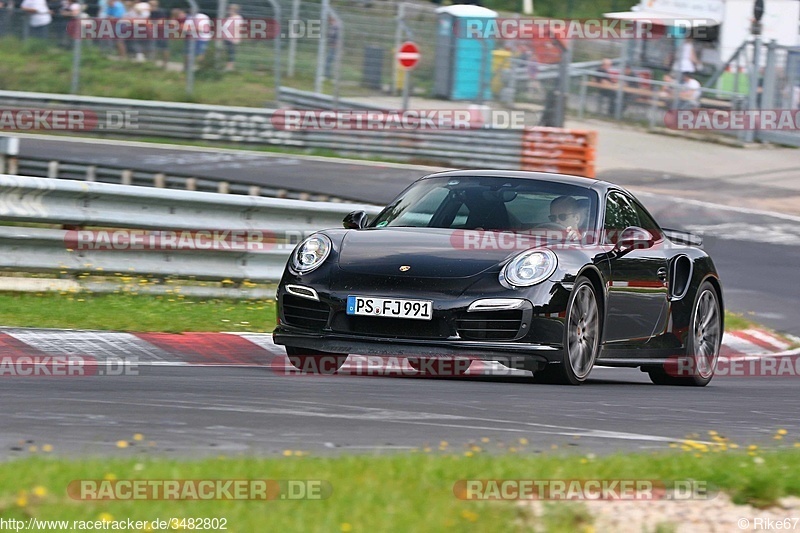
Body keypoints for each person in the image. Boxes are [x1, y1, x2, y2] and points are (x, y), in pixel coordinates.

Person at [222, 4, 243, 72]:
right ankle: (226, 66)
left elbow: (238, 28)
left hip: (232, 39)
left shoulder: (238, 18)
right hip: (226, 38)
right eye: (229, 9)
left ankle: (230, 67)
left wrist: (235, 38)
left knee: (231, 52)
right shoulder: (229, 17)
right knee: (227, 52)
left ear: (235, 10)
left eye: (231, 9)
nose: (229, 11)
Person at [324, 14, 339, 79]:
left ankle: (327, 75)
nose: (328, 22)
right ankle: (329, 75)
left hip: (334, 47)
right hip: (332, 47)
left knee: (328, 61)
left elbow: (336, 37)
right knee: (330, 61)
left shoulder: (335, 27)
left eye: (329, 20)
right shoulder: (333, 26)